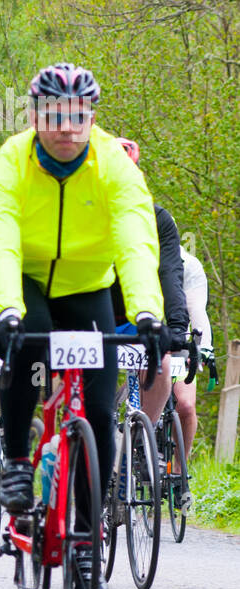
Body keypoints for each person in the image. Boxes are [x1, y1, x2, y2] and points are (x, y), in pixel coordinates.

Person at [0, 62, 165, 589]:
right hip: (28, 281)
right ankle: (16, 460)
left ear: (91, 118)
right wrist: (6, 311)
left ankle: (87, 535)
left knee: (101, 412)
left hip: (88, 287)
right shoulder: (9, 163)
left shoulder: (114, 165)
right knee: (25, 345)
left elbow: (135, 237)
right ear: (35, 115)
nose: (65, 128)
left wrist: (149, 315)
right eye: (54, 116)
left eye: (77, 117)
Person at [108, 138, 190, 425]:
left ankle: (141, 441)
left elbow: (169, 272)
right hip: (95, 315)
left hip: (138, 315)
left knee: (162, 365)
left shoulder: (158, 220)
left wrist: (178, 325)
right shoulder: (87, 214)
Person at [178, 247, 214, 452]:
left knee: (185, 405)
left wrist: (202, 348)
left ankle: (179, 471)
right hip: (140, 337)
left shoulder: (189, 265)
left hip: (178, 336)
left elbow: (197, 310)